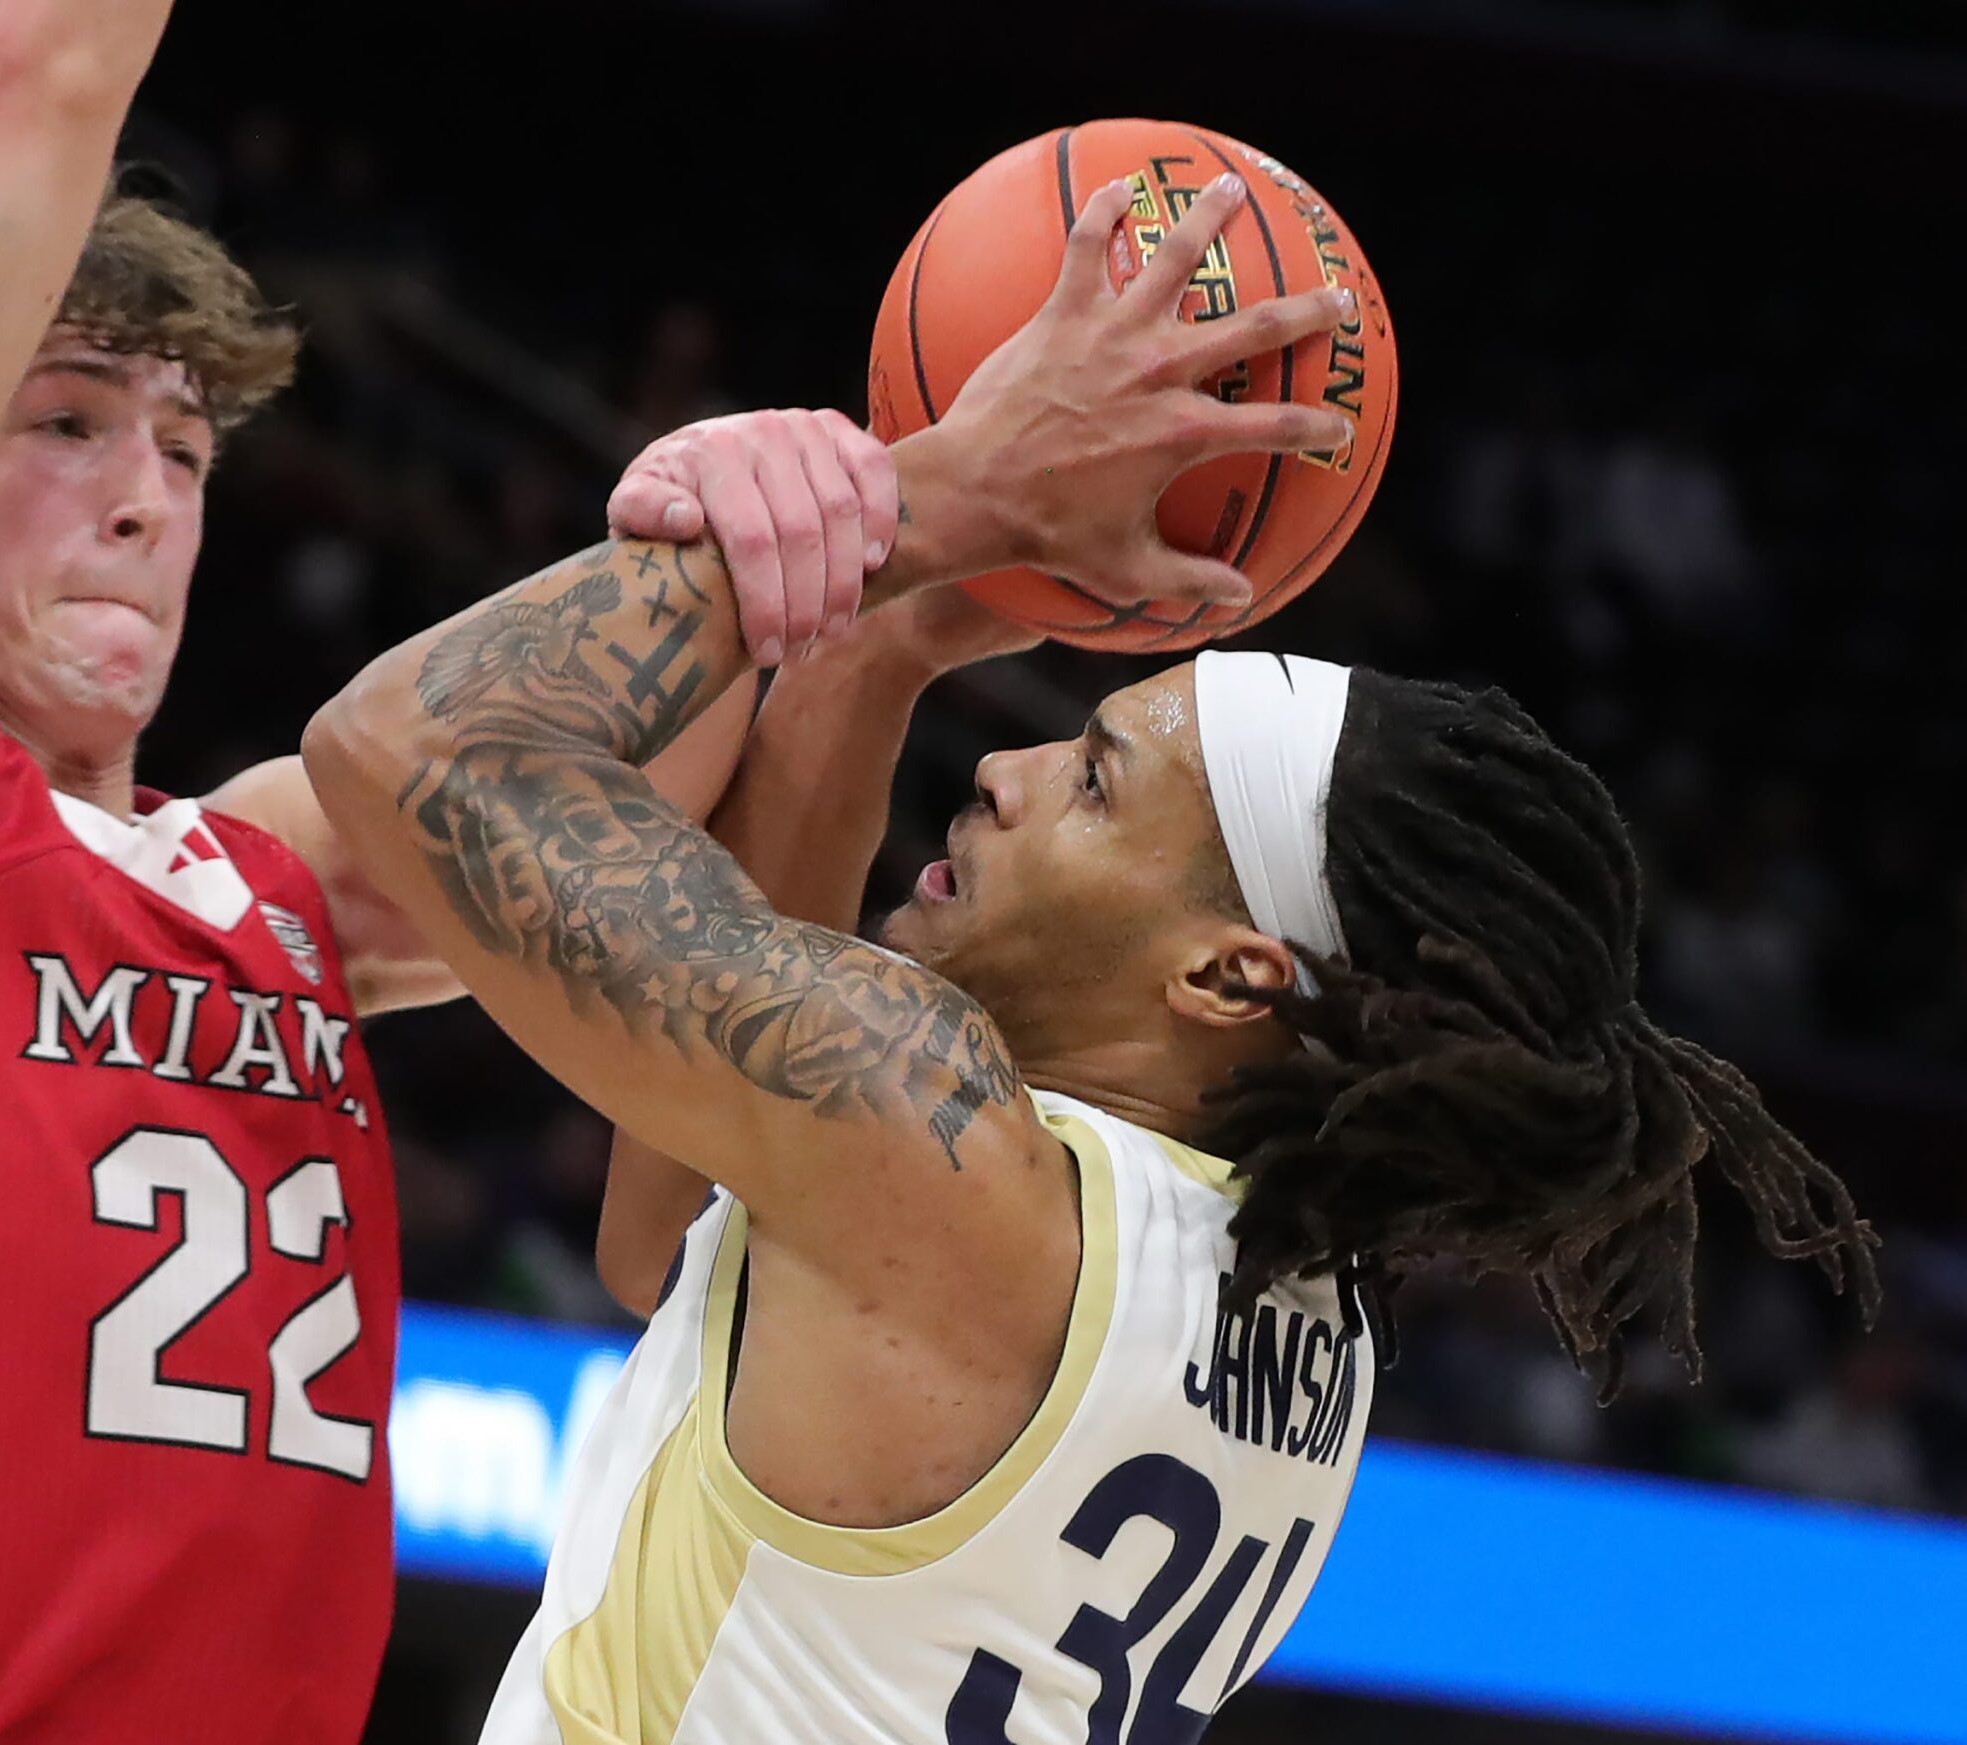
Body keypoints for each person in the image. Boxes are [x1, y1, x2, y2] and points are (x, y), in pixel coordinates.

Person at [301, 175, 1879, 1744]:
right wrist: (880, 642)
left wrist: (937, 494)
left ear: (1230, 977)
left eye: (1100, 779)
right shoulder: (1301, 1315)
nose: (1008, 770)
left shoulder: (935, 1142)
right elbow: (676, 1240)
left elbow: (405, 744)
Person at [0, 1, 923, 1737]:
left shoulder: (265, 875)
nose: (147, 499)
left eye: (183, 449)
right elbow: (36, 66)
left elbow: (626, 803)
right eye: (67, 422)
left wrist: (723, 509)